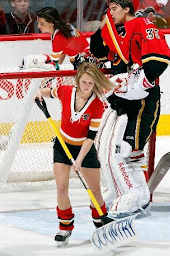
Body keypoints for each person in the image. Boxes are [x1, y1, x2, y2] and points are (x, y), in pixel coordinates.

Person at [90, 0, 170, 217]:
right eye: (109, 9)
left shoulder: (141, 24)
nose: (111, 13)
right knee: (122, 151)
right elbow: (97, 49)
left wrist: (141, 84)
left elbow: (159, 57)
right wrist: (105, 25)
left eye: (114, 9)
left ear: (127, 9)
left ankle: (132, 194)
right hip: (124, 99)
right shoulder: (119, 33)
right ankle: (138, 196)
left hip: (143, 100)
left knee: (126, 151)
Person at [34, 62, 115, 247]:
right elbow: (49, 91)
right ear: (78, 80)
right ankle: (65, 227)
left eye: (91, 83)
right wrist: (40, 93)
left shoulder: (97, 105)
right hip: (62, 146)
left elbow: (90, 138)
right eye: (84, 82)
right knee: (61, 187)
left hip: (84, 150)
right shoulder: (65, 91)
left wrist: (79, 159)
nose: (87, 86)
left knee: (94, 190)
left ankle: (99, 223)